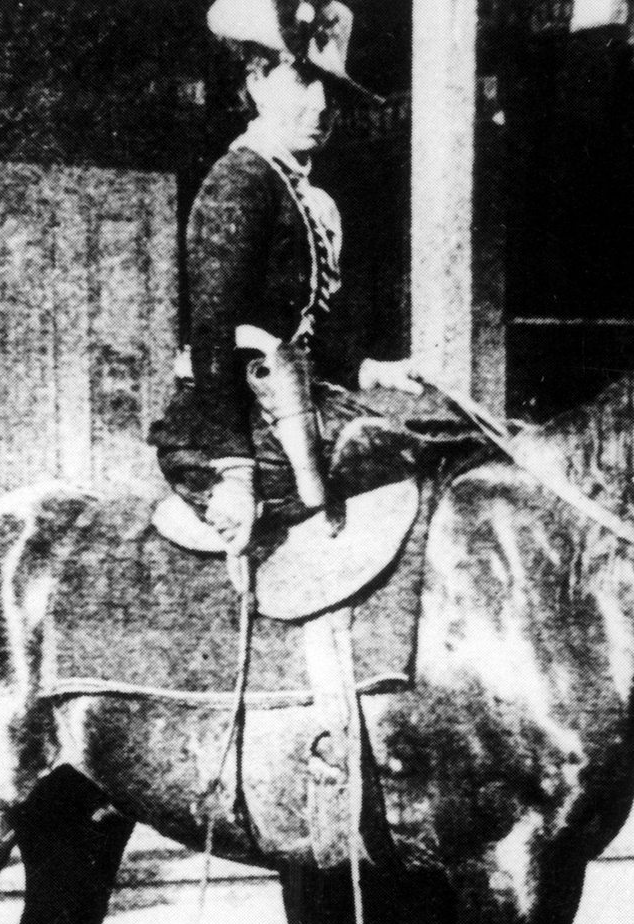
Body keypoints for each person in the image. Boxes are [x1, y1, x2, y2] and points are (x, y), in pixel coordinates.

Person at [150, 0, 422, 555]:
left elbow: (292, 334)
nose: (321, 106)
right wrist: (234, 472)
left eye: (332, 92)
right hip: (221, 427)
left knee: (404, 446)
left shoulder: (300, 193)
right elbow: (215, 332)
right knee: (366, 463)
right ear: (257, 81)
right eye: (303, 80)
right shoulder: (240, 181)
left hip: (285, 407)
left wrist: (369, 370)